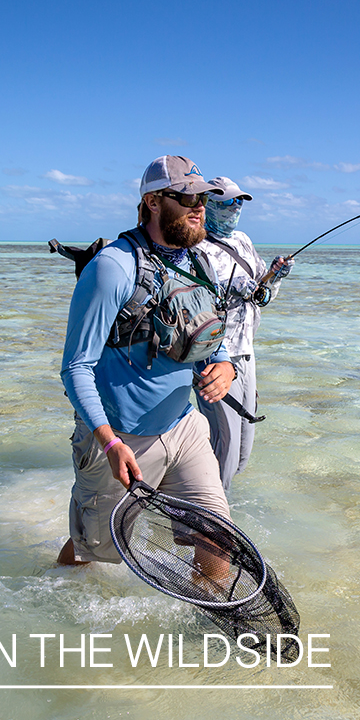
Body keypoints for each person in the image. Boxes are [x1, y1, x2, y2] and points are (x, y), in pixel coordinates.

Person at [57, 155, 237, 567]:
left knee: (219, 540)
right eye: (186, 198)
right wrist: (110, 442)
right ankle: (44, 599)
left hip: (185, 427)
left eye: (203, 199)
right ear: (153, 202)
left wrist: (226, 365)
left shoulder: (199, 260)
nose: (199, 208)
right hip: (119, 439)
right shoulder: (111, 268)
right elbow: (76, 368)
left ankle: (199, 631)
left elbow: (209, 331)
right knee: (93, 554)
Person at [195, 176, 292, 491]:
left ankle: (216, 506)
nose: (235, 207)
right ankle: (210, 521)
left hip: (246, 351)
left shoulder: (243, 240)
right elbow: (192, 300)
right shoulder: (194, 245)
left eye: (239, 202)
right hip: (215, 354)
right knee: (224, 445)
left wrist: (274, 278)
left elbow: (262, 295)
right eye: (227, 201)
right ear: (208, 204)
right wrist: (229, 288)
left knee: (242, 453)